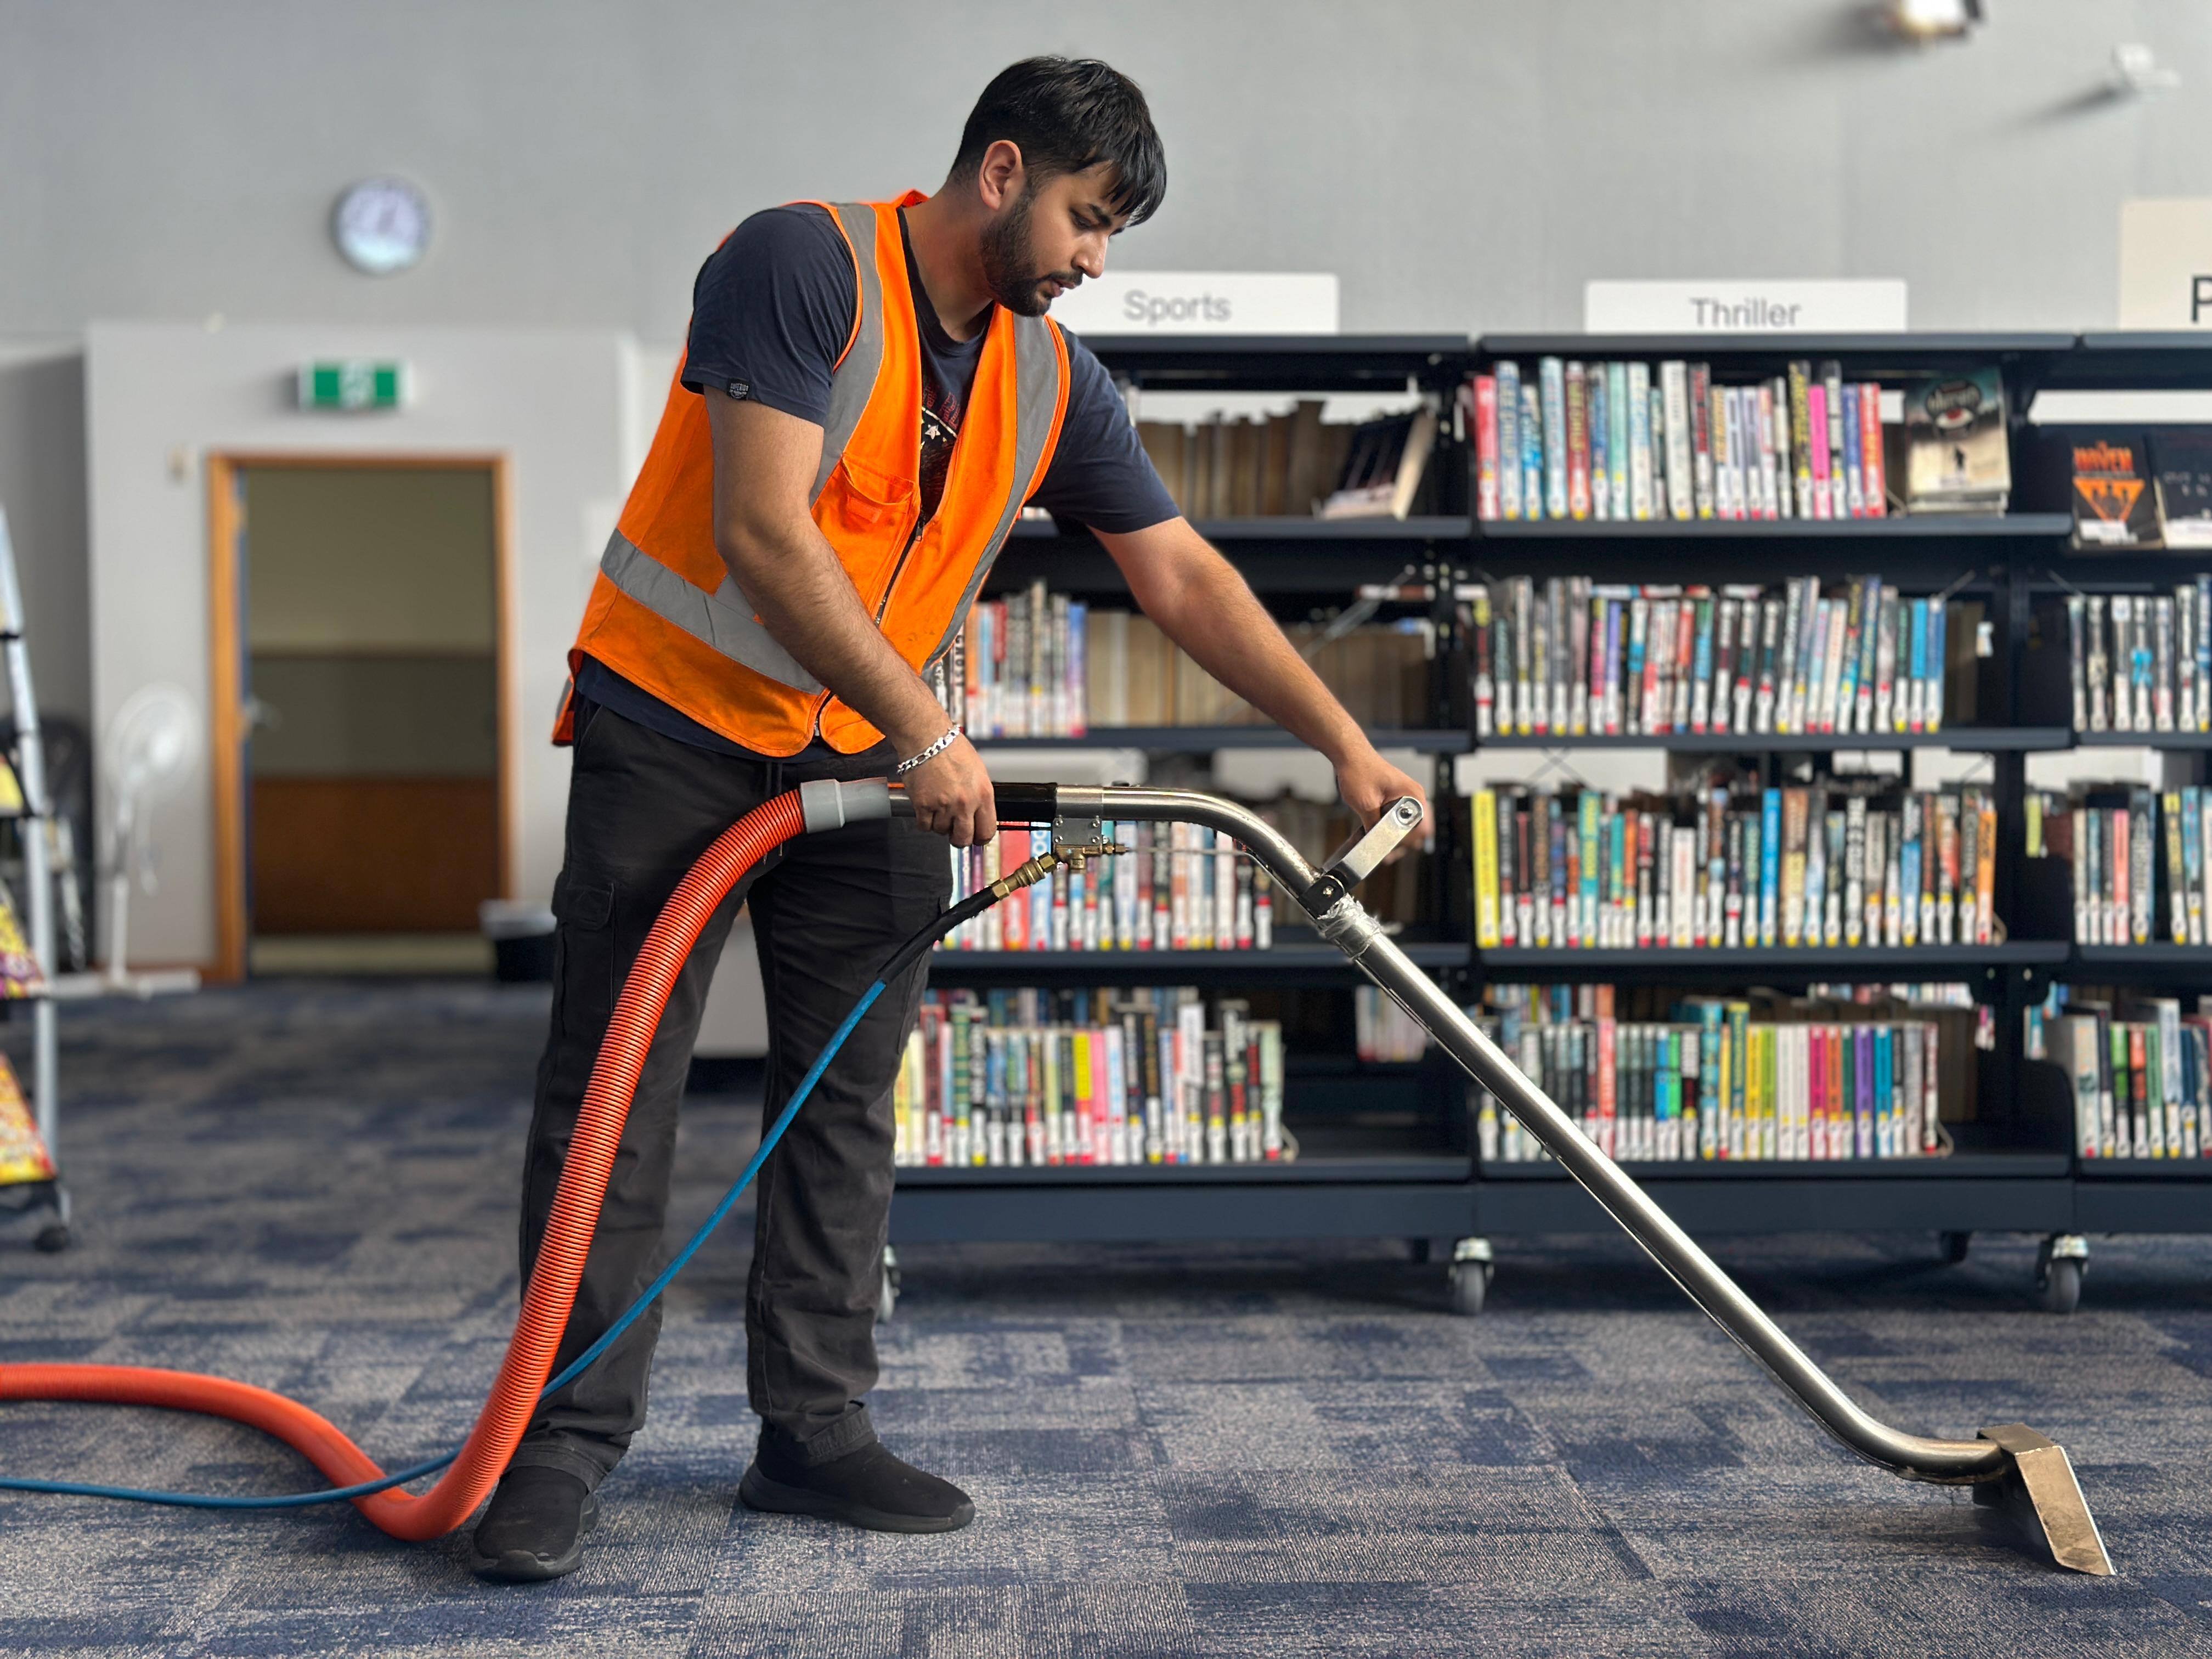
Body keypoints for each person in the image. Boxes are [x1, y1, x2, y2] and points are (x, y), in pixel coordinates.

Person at [472, 54, 1429, 1582]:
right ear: (1000, 171)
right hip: (682, 737)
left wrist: (1341, 745)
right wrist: (931, 724)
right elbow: (761, 531)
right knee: (614, 1097)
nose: (1095, 259)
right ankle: (557, 1450)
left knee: (846, 1096)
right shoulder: (800, 264)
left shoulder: (1052, 376)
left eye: (1114, 234)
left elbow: (1176, 575)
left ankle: (814, 1431)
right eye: (1086, 218)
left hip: (867, 766)